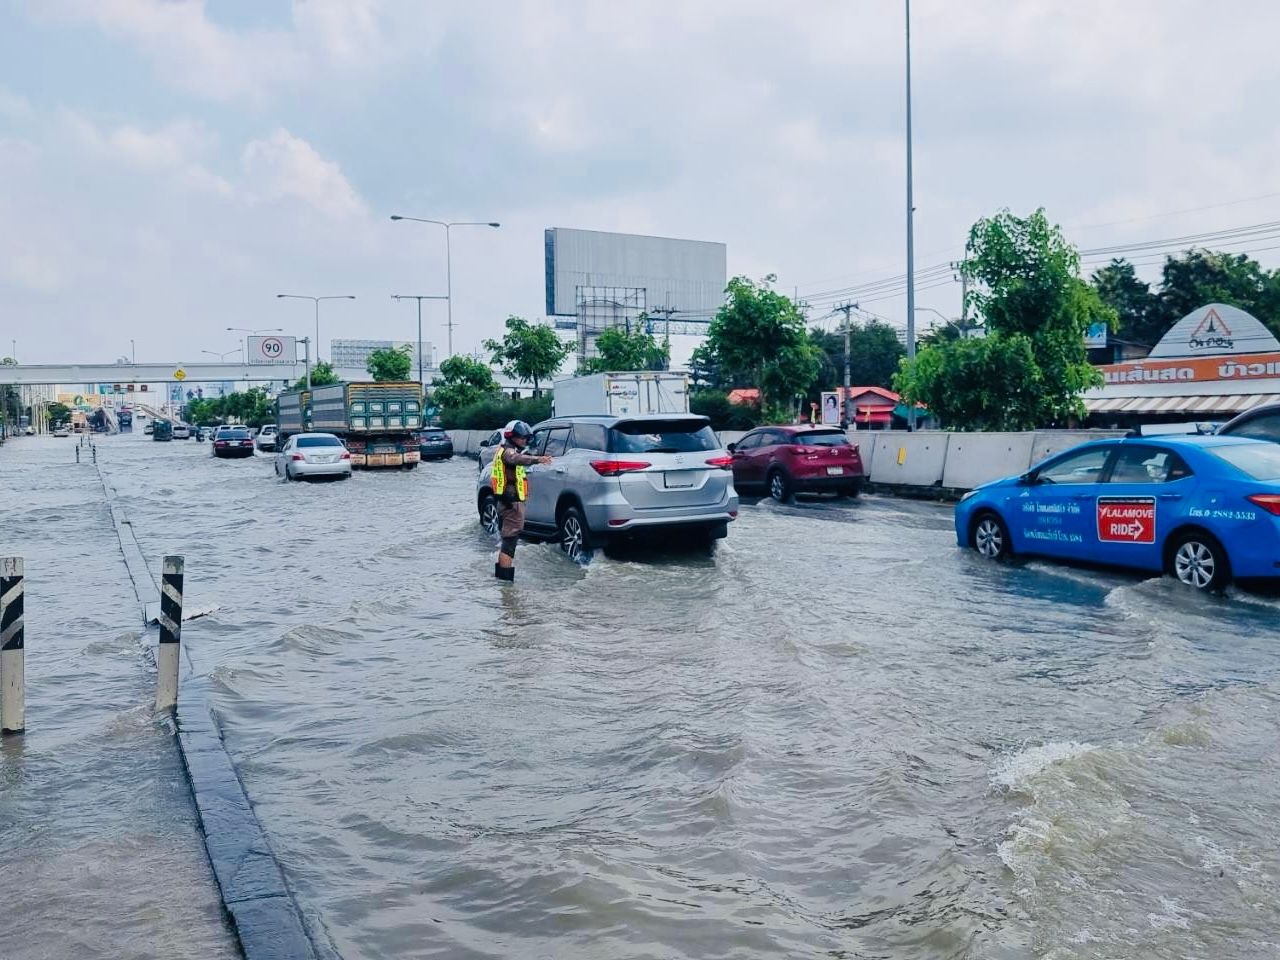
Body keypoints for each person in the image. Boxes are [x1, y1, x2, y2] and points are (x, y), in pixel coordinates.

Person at [490, 420, 553, 582]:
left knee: (508, 541)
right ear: (512, 437)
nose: (525, 440)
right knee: (510, 543)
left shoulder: (503, 450)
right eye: (522, 437)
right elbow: (516, 459)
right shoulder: (508, 453)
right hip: (510, 503)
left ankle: (500, 581)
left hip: (507, 501)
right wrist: (538, 459)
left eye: (526, 437)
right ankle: (506, 586)